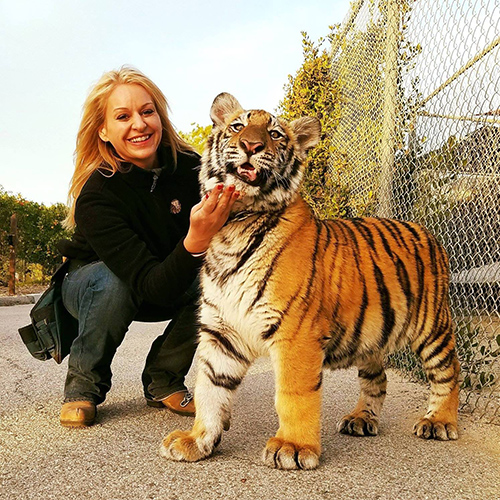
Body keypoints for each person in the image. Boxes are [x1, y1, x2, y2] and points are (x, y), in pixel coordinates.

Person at [57, 66, 238, 428]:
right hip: (93, 285)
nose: (138, 124)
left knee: (223, 279)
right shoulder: (97, 194)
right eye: (122, 116)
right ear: (104, 131)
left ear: (160, 116)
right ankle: (84, 385)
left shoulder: (193, 169)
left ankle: (164, 379)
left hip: (166, 273)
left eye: (147, 111)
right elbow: (148, 282)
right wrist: (196, 238)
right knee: (113, 282)